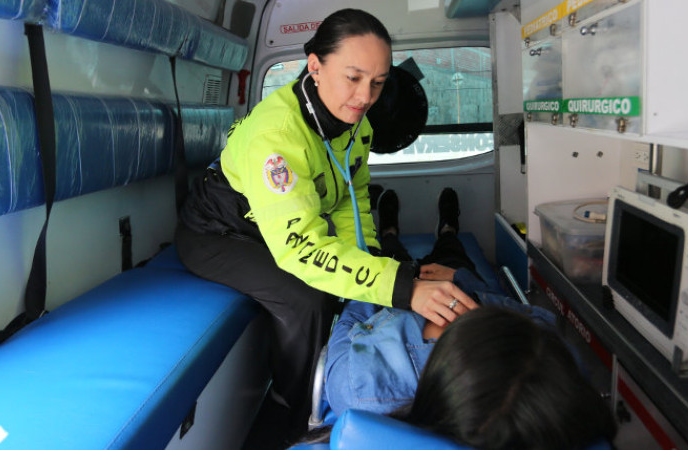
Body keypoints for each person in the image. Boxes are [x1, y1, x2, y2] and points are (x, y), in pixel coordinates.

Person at [174, 8, 476, 444]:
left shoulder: (357, 126)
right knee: (307, 299)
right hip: (216, 233)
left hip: (276, 229)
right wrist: (404, 287)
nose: (364, 96)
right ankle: (293, 412)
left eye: (377, 82)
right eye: (353, 78)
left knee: (364, 276)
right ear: (315, 66)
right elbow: (300, 248)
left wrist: (370, 262)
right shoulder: (276, 138)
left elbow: (347, 205)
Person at [305, 189, 618, 448]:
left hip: (393, 301)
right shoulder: (547, 356)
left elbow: (347, 324)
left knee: (388, 259)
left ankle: (389, 231)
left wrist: (389, 289)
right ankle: (448, 231)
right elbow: (527, 314)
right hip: (460, 287)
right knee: (452, 257)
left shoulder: (363, 388)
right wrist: (462, 281)